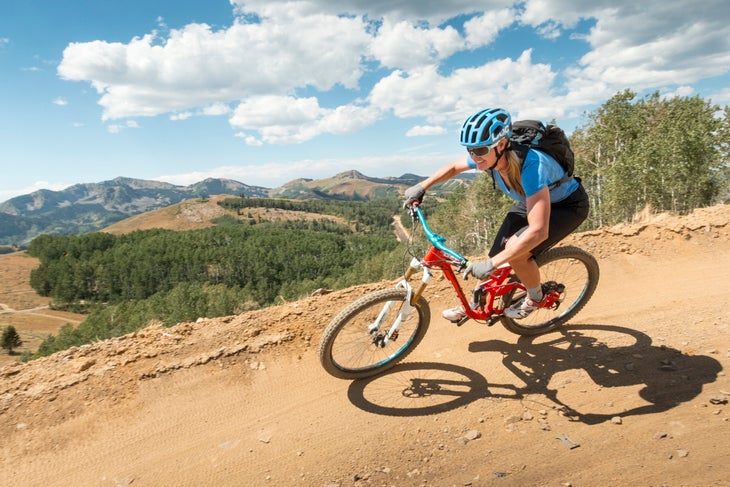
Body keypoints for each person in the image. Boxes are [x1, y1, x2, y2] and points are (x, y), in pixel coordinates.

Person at [403, 108, 589, 320]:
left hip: (567, 206)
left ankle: (536, 298)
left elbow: (538, 231)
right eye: (470, 150)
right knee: (496, 252)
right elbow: (455, 167)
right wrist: (422, 186)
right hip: (531, 200)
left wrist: (492, 265)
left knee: (517, 254)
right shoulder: (488, 156)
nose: (474, 157)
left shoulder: (531, 166)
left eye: (480, 150)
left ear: (501, 144)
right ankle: (477, 303)